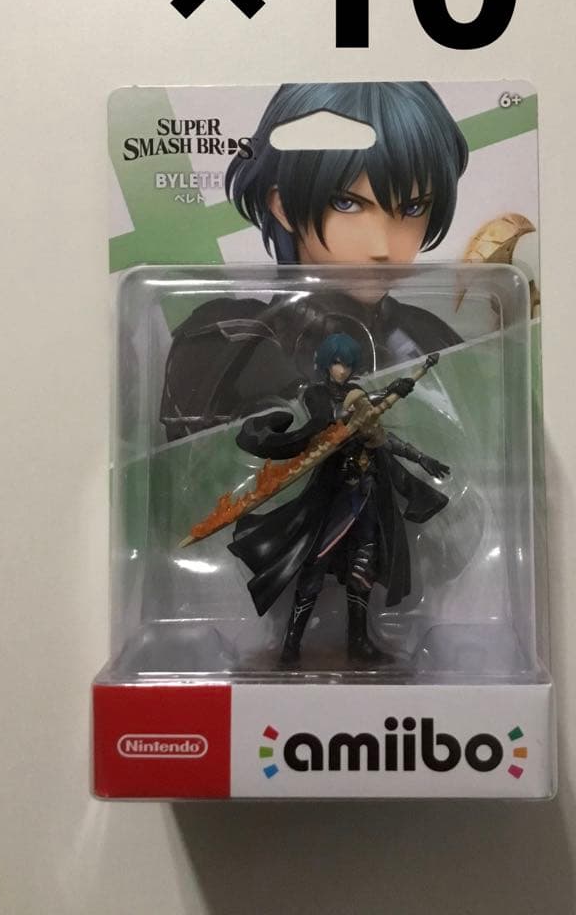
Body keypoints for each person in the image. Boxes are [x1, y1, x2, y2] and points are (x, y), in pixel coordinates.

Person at [160, 82, 469, 440]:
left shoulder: (428, 337)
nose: (382, 246)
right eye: (347, 203)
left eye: (412, 208)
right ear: (283, 206)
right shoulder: (229, 342)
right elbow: (194, 468)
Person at [228, 334, 450, 664]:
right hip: (334, 496)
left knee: (364, 565)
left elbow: (380, 437)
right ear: (325, 364)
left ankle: (359, 642)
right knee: (314, 564)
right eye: (336, 363)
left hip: (367, 492)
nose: (342, 370)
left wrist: (420, 457)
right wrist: (384, 394)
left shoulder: (359, 396)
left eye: (347, 364)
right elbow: (334, 420)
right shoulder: (317, 395)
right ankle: (291, 646)